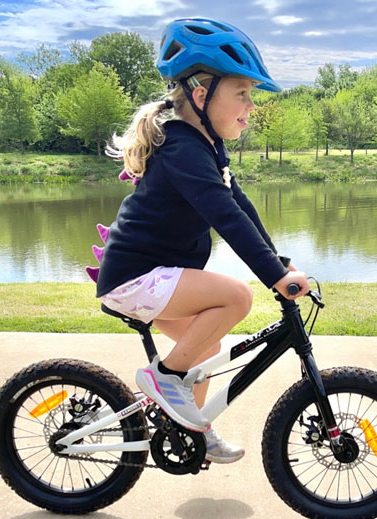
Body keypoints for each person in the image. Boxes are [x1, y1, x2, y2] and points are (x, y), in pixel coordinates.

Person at [97, 18, 308, 464]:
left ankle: (192, 426)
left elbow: (240, 204)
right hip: (136, 277)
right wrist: (271, 277)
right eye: (243, 94)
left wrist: (281, 264)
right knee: (235, 297)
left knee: (206, 347)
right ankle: (166, 377)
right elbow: (224, 216)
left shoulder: (205, 147)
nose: (251, 107)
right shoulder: (182, 148)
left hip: (151, 277)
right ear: (200, 95)